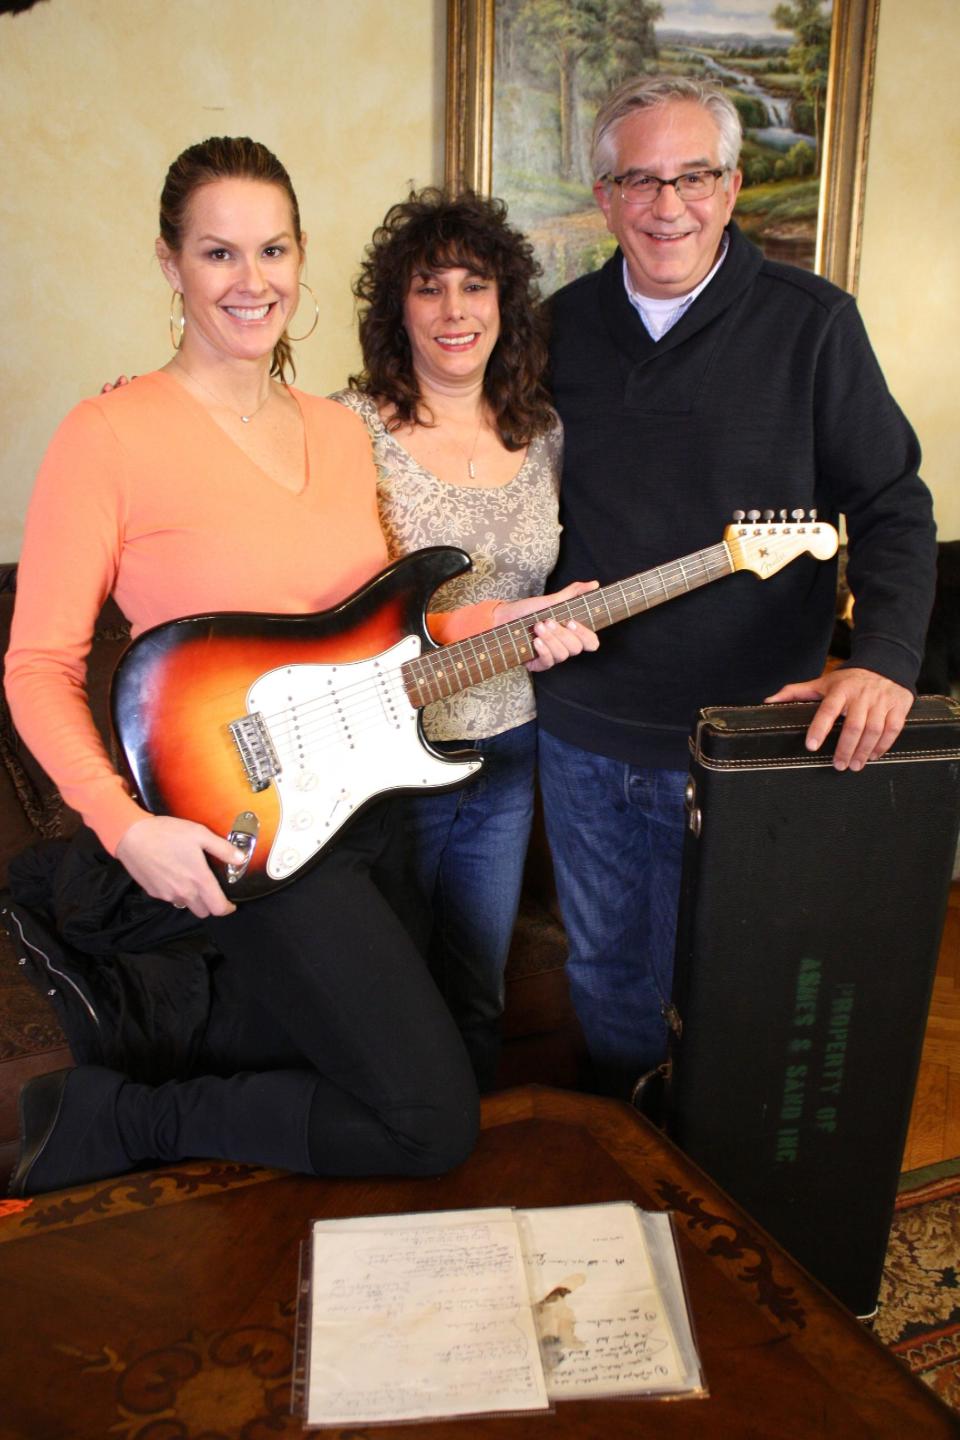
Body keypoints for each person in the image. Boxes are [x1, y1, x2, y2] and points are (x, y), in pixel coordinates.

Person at [4, 136, 598, 1197]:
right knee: (426, 1124)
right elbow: (38, 665)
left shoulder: (336, 429)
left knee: (344, 1067)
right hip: (249, 832)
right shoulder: (109, 432)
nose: (251, 281)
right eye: (218, 253)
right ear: (169, 262)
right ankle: (125, 1117)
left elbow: (383, 640)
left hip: (369, 805)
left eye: (271, 250)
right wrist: (125, 824)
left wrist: (524, 619)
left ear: (300, 256)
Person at [536, 76, 937, 1099]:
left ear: (734, 185)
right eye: (640, 180)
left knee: (730, 985)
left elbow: (891, 501)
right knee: (605, 976)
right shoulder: (552, 331)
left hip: (744, 736)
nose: (668, 205)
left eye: (694, 176)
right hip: (581, 733)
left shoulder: (814, 324)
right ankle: (632, 1170)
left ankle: (720, 1192)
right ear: (603, 193)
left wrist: (886, 661)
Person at [331, 189, 564, 1090]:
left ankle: (463, 1169)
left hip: (508, 750)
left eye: (476, 285)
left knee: (478, 989)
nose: (456, 310)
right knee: (389, 990)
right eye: (430, 287)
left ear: (506, 302)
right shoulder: (346, 427)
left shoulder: (544, 434)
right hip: (389, 759)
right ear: (399, 308)